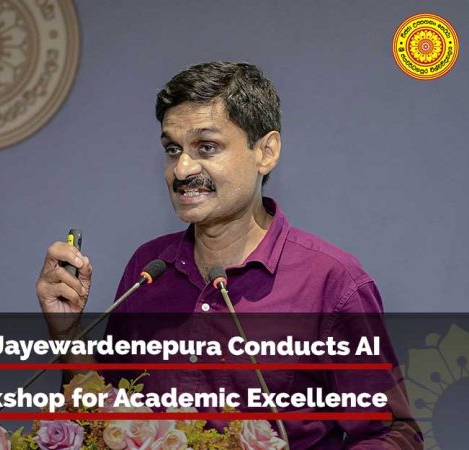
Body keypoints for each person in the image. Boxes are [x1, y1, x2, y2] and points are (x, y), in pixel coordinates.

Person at [36, 61, 421, 448]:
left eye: (206, 147)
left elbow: (392, 433)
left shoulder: (330, 283)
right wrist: (67, 332)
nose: (182, 170)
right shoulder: (148, 270)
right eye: (172, 149)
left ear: (266, 152)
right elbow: (104, 416)